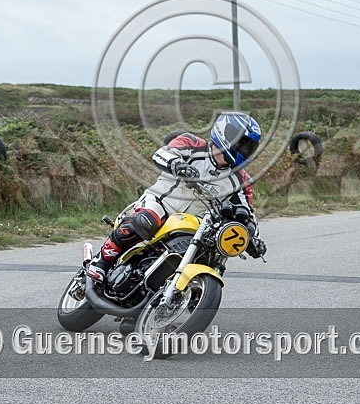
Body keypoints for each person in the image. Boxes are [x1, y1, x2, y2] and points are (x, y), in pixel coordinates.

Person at [87, 111, 267, 282]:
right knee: (147, 218)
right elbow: (162, 153)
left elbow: (247, 213)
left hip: (192, 225)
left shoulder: (241, 179)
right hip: (161, 203)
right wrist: (177, 165)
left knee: (209, 252)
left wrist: (253, 237)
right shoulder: (193, 143)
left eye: (249, 147)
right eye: (242, 143)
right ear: (227, 133)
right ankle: (101, 261)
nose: (244, 150)